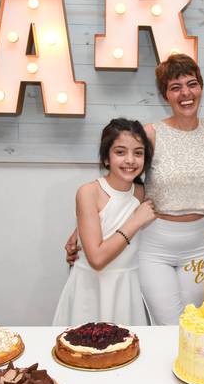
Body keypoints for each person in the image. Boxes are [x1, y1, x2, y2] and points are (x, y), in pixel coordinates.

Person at [67, 54, 204, 325]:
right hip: (155, 244)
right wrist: (84, 227)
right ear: (166, 95)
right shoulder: (151, 134)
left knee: (189, 324)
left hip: (200, 247)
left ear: (201, 88)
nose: (186, 93)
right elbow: (123, 182)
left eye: (192, 84)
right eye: (176, 87)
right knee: (169, 325)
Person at [52, 118, 156, 326]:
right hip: (91, 287)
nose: (130, 160)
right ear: (106, 158)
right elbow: (97, 259)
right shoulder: (89, 192)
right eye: (120, 152)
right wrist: (135, 222)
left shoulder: (141, 191)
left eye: (138, 152)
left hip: (126, 286)